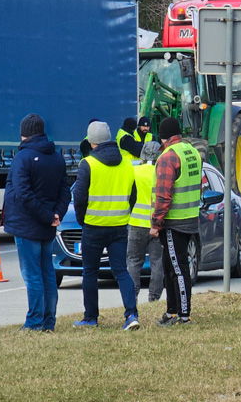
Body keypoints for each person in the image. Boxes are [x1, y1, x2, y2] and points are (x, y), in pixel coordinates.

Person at [3, 114, 71, 332]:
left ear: (24, 133)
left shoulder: (22, 158)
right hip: (47, 225)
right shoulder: (57, 156)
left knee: (32, 275)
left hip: (27, 224)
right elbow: (64, 190)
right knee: (47, 273)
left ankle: (34, 322)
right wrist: (56, 214)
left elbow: (23, 194)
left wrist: (46, 215)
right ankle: (49, 321)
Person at [72, 120, 140, 330]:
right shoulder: (126, 164)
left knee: (90, 272)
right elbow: (133, 195)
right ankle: (131, 315)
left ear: (91, 142)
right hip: (119, 225)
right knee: (121, 270)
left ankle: (91, 317)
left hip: (93, 225)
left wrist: (83, 219)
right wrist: (124, 214)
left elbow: (79, 196)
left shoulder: (88, 164)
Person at [151, 117, 203, 325]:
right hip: (190, 217)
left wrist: (156, 224)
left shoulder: (168, 157)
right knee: (170, 266)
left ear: (163, 139)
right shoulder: (192, 152)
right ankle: (172, 312)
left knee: (178, 268)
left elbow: (164, 195)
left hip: (175, 221)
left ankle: (183, 315)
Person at [127, 140, 164, 303]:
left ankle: (132, 295)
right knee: (157, 262)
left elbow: (129, 196)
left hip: (136, 223)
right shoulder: (161, 172)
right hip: (156, 224)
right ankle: (154, 298)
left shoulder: (134, 171)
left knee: (134, 261)